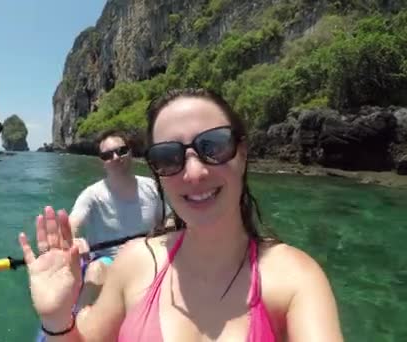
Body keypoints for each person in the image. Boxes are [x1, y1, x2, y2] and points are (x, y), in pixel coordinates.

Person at [19, 88, 344, 341]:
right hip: (108, 259)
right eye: (169, 156)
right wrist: (57, 319)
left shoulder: (295, 279)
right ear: (158, 169)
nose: (194, 172)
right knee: (96, 274)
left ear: (243, 153)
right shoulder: (134, 262)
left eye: (213, 146)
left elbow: (174, 215)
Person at [67, 129, 165, 310]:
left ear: (131, 152)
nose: (115, 157)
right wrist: (74, 240)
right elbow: (72, 223)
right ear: (102, 162)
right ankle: (77, 325)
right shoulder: (92, 195)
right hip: (109, 262)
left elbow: (167, 221)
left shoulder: (152, 187)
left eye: (121, 151)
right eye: (107, 155)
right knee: (95, 271)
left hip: (149, 257)